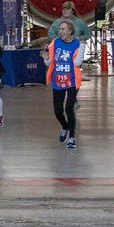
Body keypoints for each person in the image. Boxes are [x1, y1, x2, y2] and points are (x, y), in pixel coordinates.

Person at [43, 20, 83, 150]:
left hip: (71, 81)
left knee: (69, 109)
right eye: (60, 29)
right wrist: (46, 58)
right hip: (58, 80)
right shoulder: (56, 43)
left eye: (64, 29)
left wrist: (82, 48)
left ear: (70, 31)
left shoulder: (77, 44)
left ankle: (72, 137)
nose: (61, 32)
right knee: (58, 111)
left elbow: (77, 63)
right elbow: (50, 63)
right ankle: (65, 127)